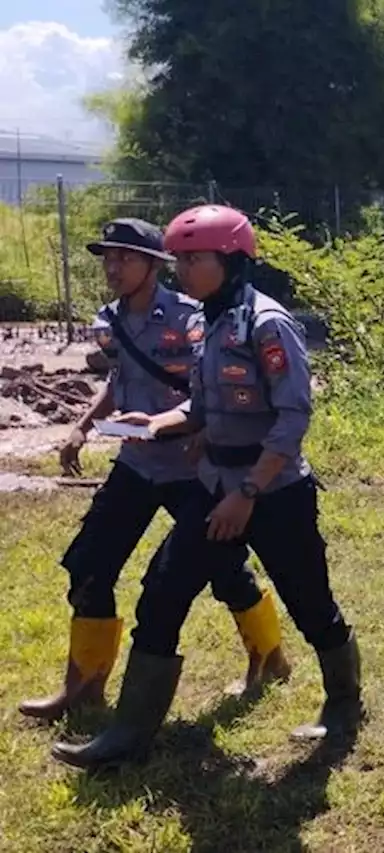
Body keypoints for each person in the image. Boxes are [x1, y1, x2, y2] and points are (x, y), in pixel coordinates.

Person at [51, 205, 361, 769]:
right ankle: (128, 735)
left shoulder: (267, 323)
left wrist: (247, 493)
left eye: (194, 259)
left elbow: (293, 417)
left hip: (274, 493)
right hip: (215, 485)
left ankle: (343, 704)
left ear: (231, 260)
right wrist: (163, 423)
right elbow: (204, 401)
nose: (183, 269)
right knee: (163, 592)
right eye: (182, 258)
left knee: (310, 602)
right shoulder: (214, 322)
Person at [20, 218, 286, 723]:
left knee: (223, 570)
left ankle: (269, 656)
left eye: (124, 257)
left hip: (191, 469)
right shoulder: (110, 321)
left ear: (155, 265)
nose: (113, 267)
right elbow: (122, 379)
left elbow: (213, 389)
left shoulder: (190, 318)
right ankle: (85, 685)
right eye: (107, 258)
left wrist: (202, 435)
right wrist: (82, 425)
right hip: (137, 464)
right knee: (88, 566)